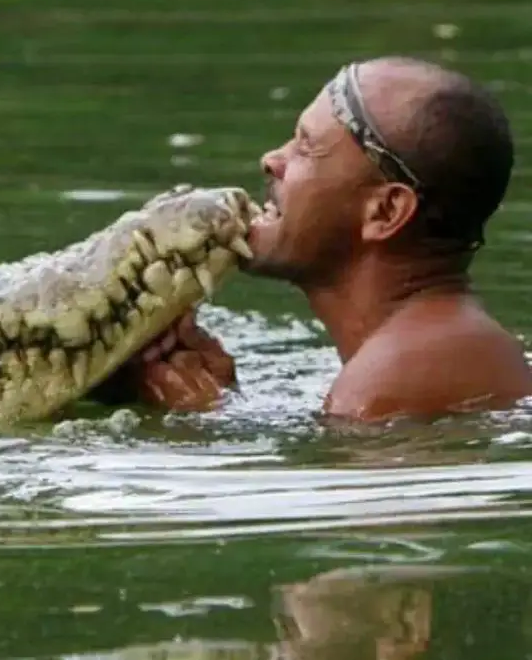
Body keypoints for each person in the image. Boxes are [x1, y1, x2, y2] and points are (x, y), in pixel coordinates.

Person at [107, 56, 532, 423]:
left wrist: (199, 428)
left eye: (305, 148)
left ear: (384, 212)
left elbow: (363, 499)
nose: (272, 160)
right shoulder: (435, 351)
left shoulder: (391, 381)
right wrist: (223, 403)